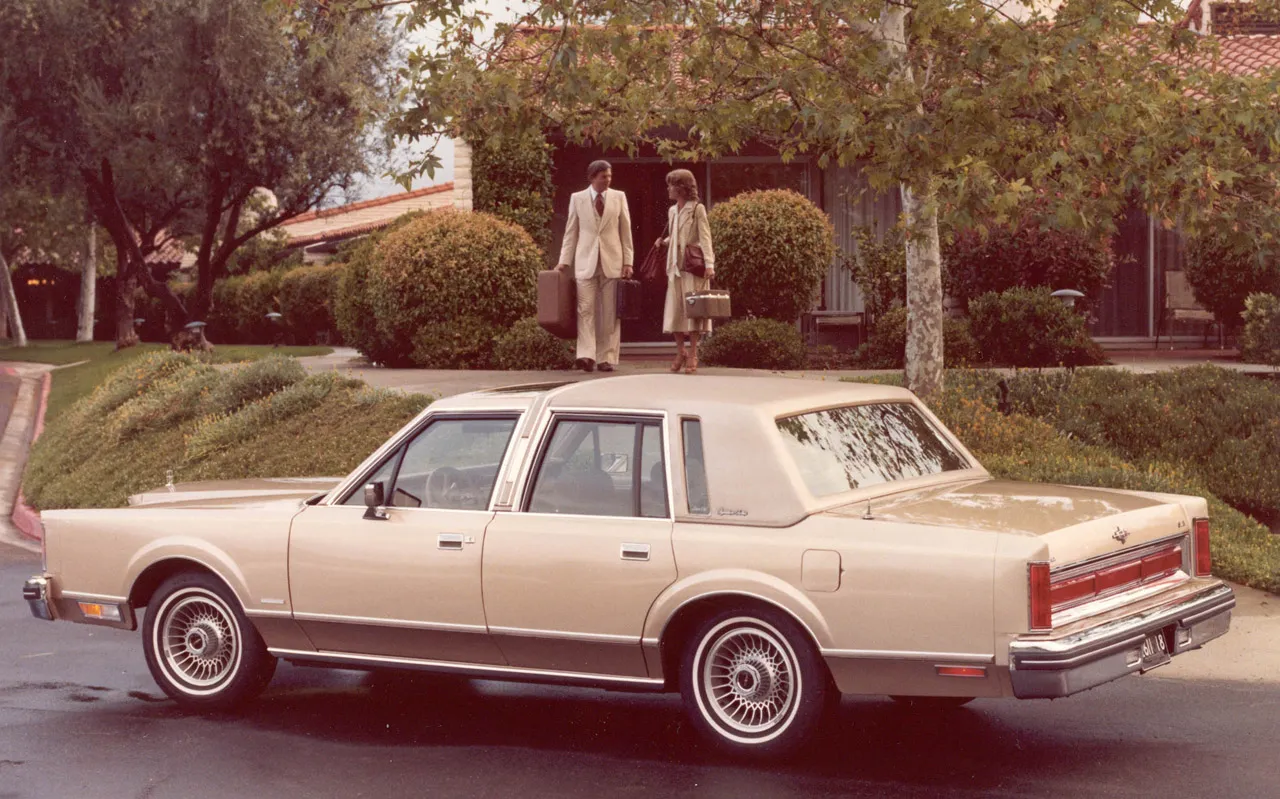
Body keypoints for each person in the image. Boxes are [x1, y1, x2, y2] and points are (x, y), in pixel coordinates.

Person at [555, 160, 634, 373]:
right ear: (592, 178)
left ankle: (605, 358)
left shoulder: (619, 197)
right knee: (585, 309)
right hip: (585, 261)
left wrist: (628, 261)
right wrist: (564, 261)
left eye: (609, 176)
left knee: (609, 313)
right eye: (603, 177)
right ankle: (586, 355)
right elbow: (571, 231)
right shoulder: (577, 199)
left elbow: (626, 232)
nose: (607, 180)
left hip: (613, 261)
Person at [659, 169, 714, 374]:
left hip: (693, 267)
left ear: (682, 187)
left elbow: (705, 237)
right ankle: (680, 350)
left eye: (672, 185)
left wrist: (710, 264)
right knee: (675, 311)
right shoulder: (672, 211)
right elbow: (675, 235)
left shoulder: (697, 209)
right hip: (674, 267)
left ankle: (693, 353)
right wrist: (664, 242)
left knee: (693, 312)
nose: (669, 189)